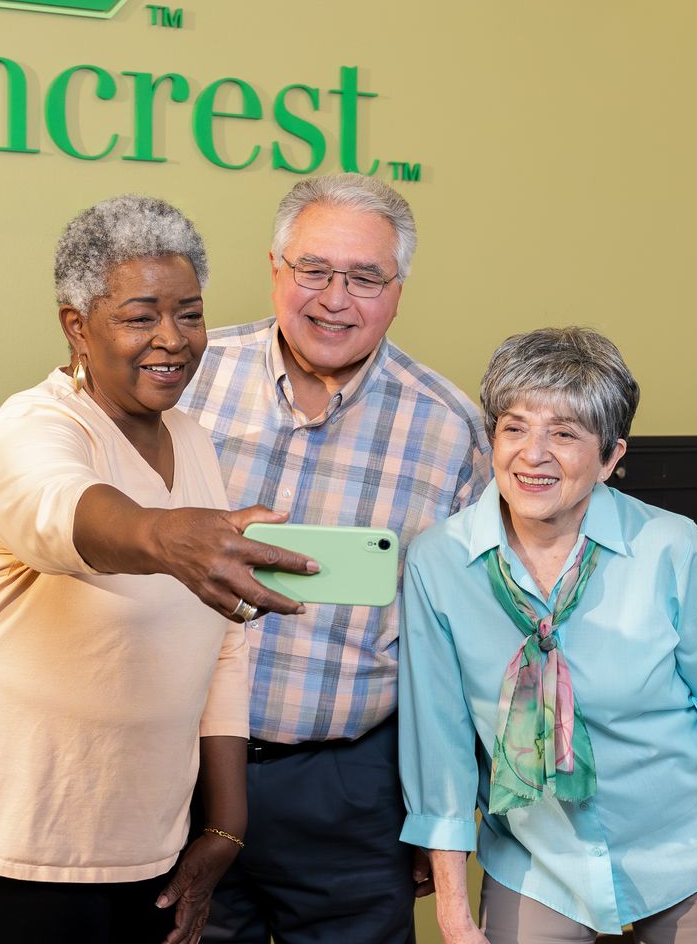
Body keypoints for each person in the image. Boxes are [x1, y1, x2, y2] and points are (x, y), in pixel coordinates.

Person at [0, 195, 319, 944]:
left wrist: (226, 821)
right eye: (140, 315)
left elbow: (223, 642)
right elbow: (63, 510)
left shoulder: (189, 438)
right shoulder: (30, 430)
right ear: (76, 325)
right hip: (15, 825)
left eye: (189, 314)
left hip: (144, 826)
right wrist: (165, 538)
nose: (173, 339)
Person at [181, 173, 491, 943]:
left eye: (365, 277)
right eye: (313, 270)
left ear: (399, 288)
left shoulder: (450, 427)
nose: (334, 298)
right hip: (174, 772)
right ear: (274, 267)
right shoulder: (185, 374)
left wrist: (440, 812)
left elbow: (467, 642)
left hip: (350, 787)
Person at [399, 327, 697, 944]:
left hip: (682, 850)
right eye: (514, 428)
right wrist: (453, 913)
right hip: (537, 860)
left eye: (565, 433)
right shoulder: (438, 561)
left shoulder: (668, 546)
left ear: (611, 457)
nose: (533, 454)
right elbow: (436, 748)